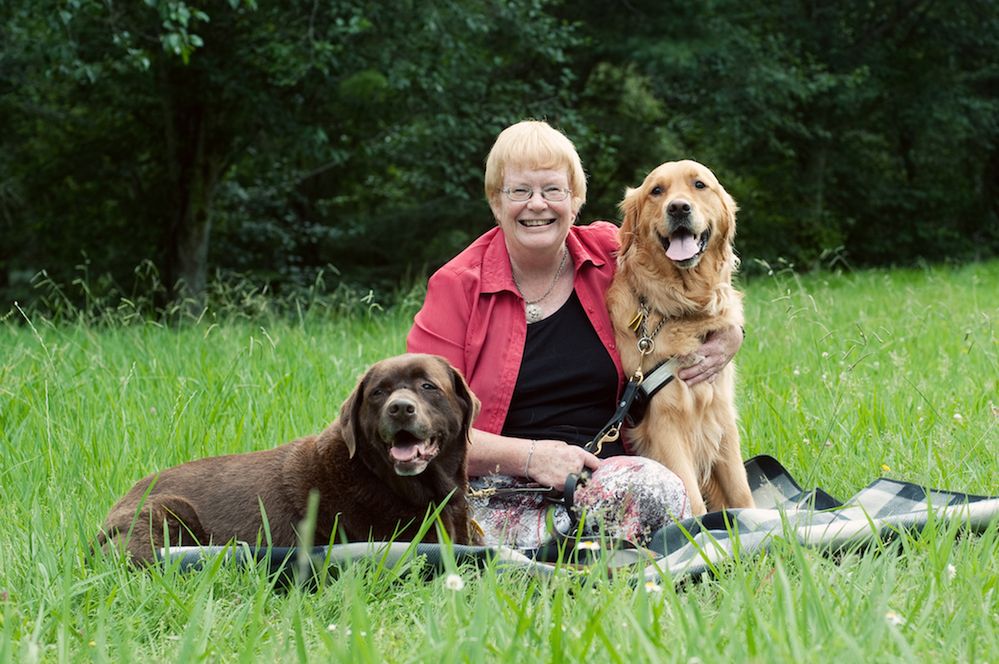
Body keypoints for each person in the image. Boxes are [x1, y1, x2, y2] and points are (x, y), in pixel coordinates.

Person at [406, 120, 743, 548]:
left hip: (606, 476)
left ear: (575, 199)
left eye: (552, 190)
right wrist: (533, 458)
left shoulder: (610, 253)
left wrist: (732, 332)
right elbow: (426, 426)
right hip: (499, 487)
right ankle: (579, 550)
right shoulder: (456, 287)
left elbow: (693, 288)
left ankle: (572, 551)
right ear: (495, 202)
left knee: (655, 490)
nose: (537, 205)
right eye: (519, 192)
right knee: (464, 525)